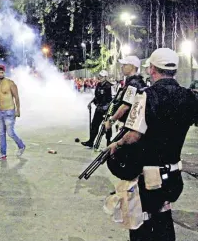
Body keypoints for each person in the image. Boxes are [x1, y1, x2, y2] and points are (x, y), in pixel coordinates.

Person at [107, 48, 198, 241]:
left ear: (153, 69)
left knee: (142, 223)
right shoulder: (189, 97)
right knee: (163, 216)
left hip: (149, 177)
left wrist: (117, 144)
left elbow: (133, 135)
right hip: (174, 175)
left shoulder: (147, 96)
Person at [0, 65, 25, 161]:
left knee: (10, 132)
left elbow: (16, 97)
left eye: (2, 72)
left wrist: (18, 110)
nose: (0, 74)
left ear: (4, 72)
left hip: (9, 111)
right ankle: (3, 154)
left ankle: (21, 145)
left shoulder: (10, 83)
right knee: (1, 134)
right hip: (1, 113)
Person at [104, 56, 146, 132]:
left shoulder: (134, 83)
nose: (122, 67)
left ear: (132, 67)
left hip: (131, 126)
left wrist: (111, 121)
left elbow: (125, 106)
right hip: (130, 124)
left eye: (125, 65)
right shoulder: (134, 81)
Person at [81, 70, 112, 148]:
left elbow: (110, 99)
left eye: (102, 76)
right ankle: (91, 141)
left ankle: (109, 143)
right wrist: (91, 102)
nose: (100, 78)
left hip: (106, 110)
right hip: (99, 108)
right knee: (94, 125)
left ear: (105, 77)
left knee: (107, 127)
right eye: (100, 76)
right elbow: (97, 96)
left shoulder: (108, 86)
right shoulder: (98, 85)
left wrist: (106, 108)